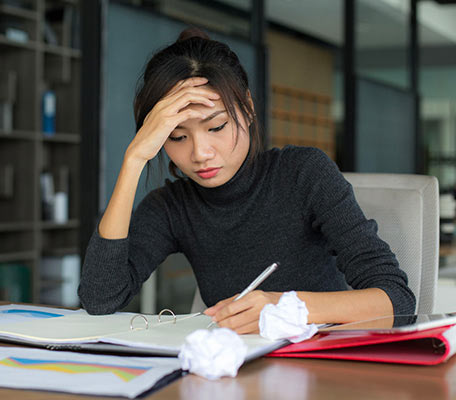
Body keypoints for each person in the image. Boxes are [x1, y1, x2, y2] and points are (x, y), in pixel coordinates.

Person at [78, 27, 415, 334]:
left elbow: (398, 302)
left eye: (217, 127)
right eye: (177, 137)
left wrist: (284, 308)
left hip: (326, 367)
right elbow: (100, 298)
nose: (201, 153)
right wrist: (134, 159)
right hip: (235, 370)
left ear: (248, 109)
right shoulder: (172, 207)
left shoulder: (304, 174)